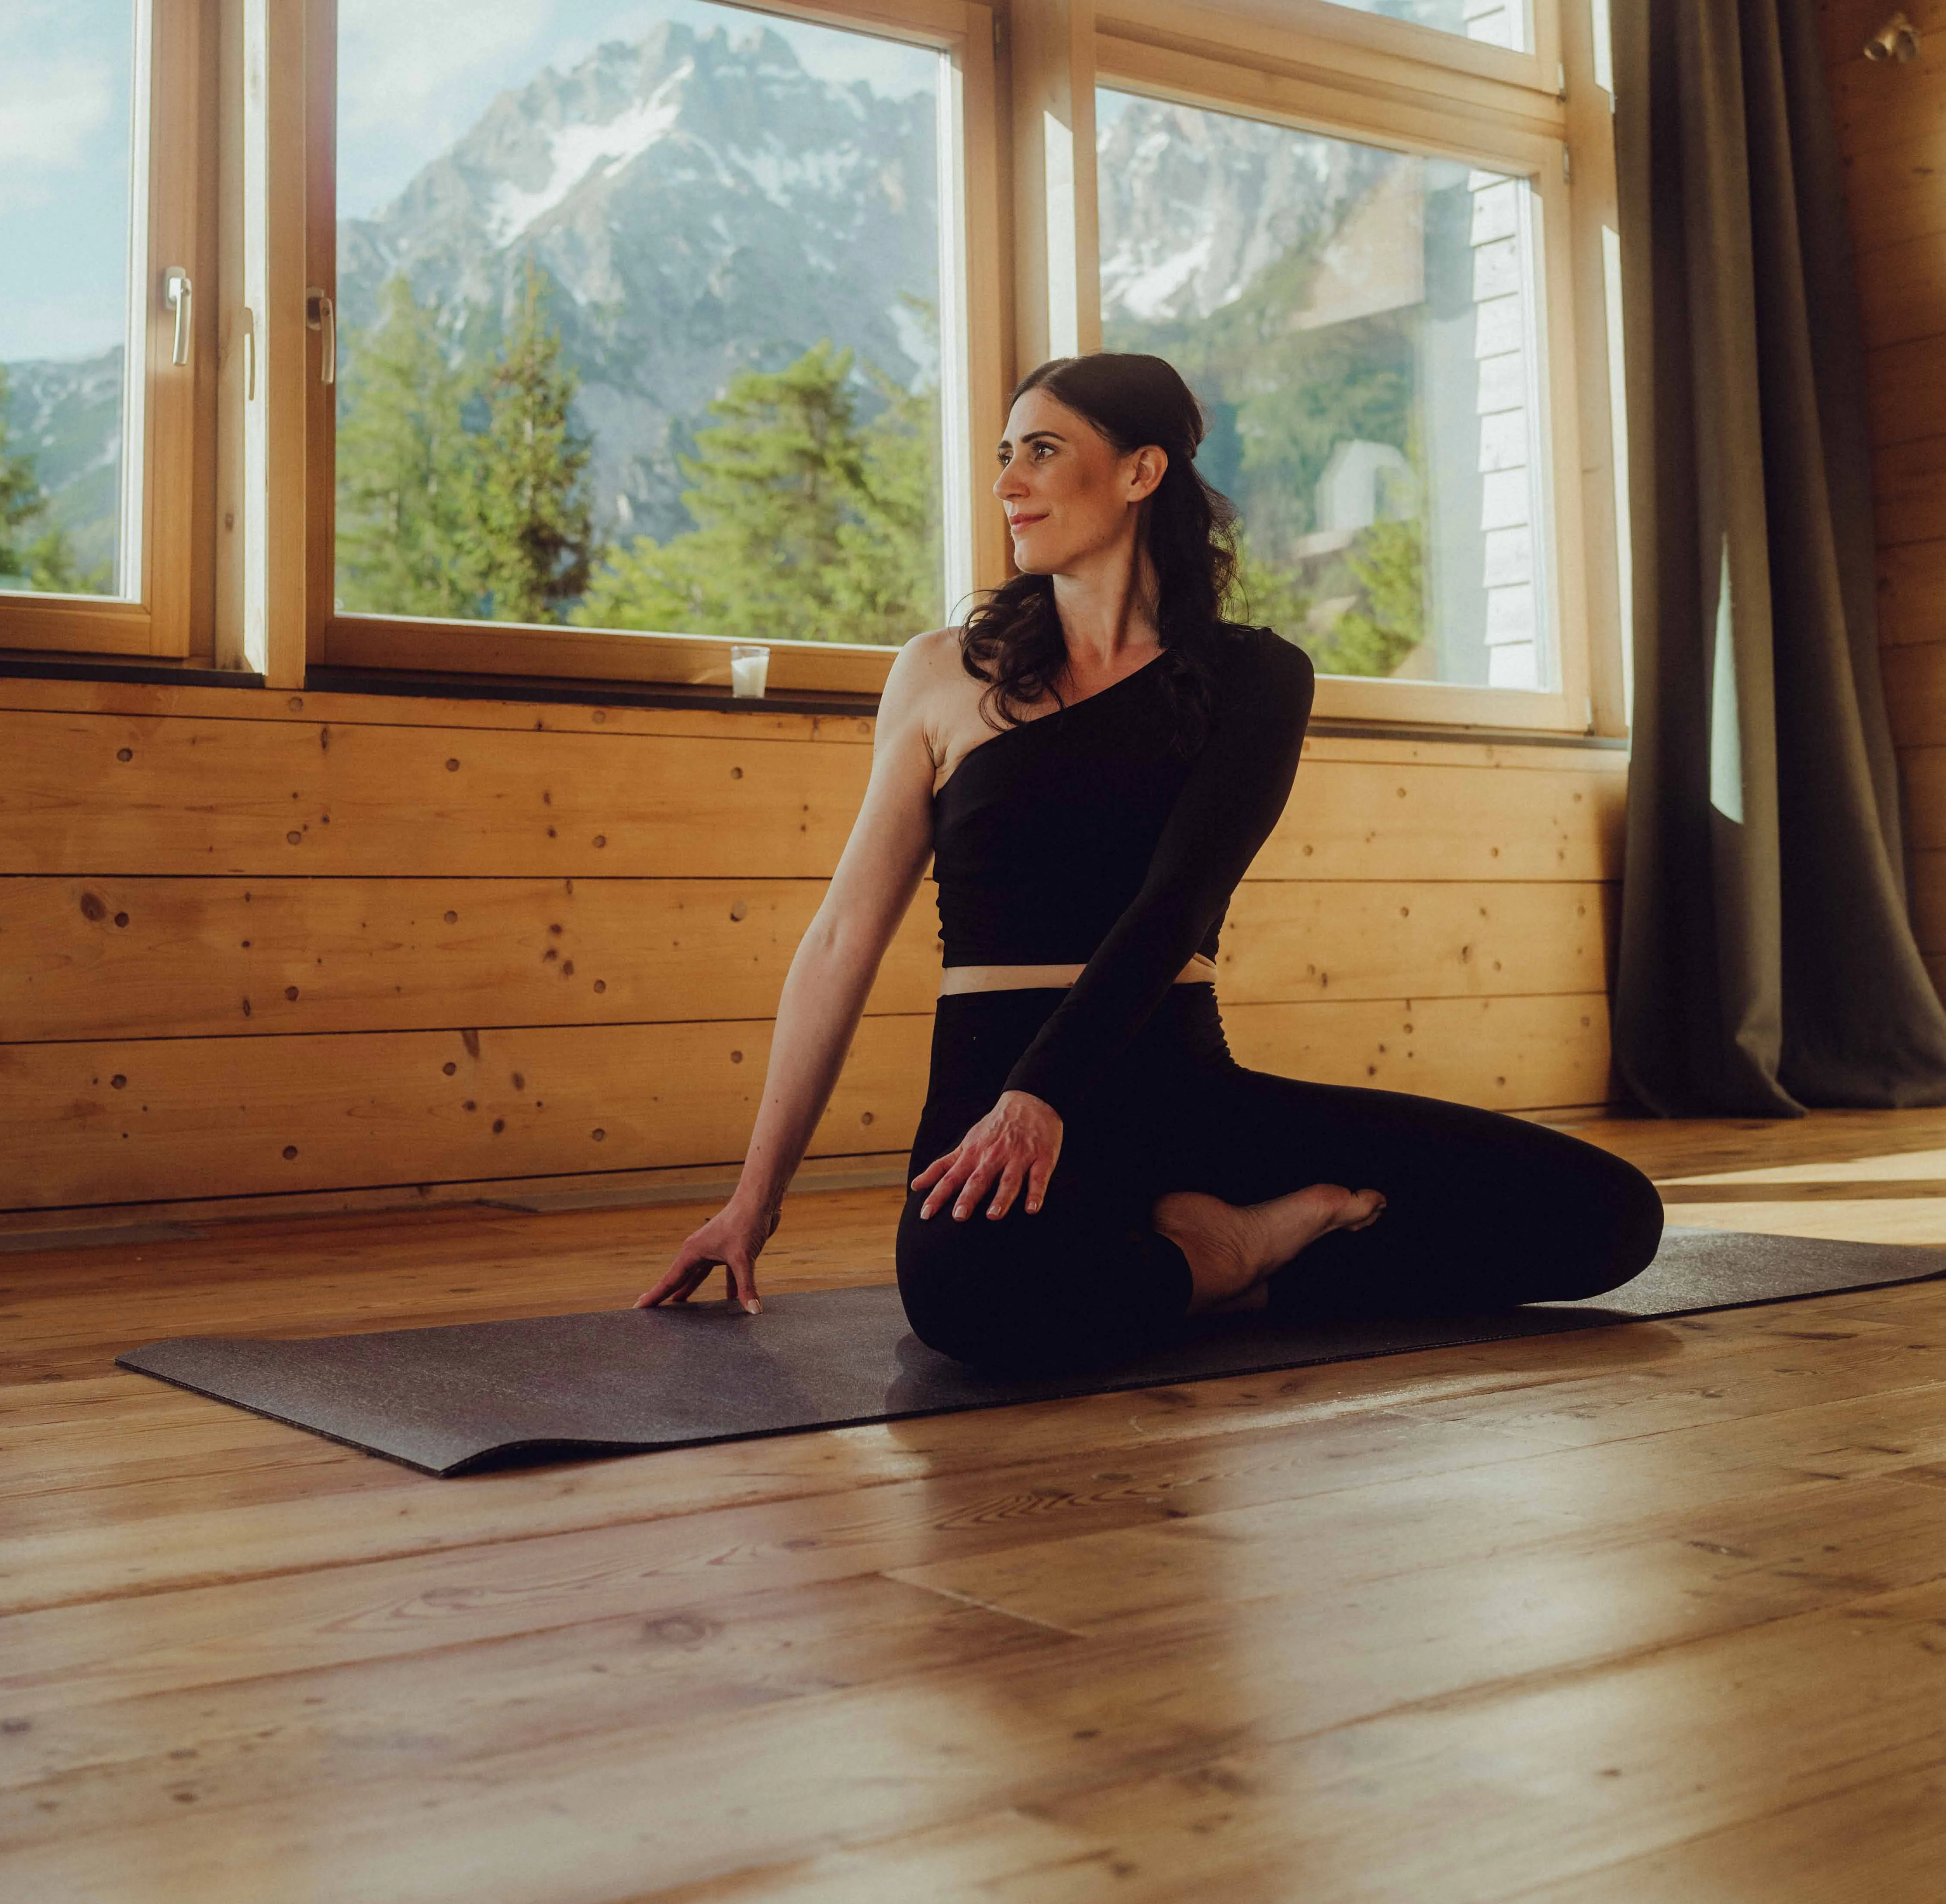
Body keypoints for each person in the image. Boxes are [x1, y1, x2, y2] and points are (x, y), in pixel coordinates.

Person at [638, 352, 1663, 1369]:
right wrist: (753, 1199)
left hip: (1171, 1078)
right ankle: (1234, 1254)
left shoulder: (1256, 677)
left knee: (1610, 1219)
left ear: (1141, 471)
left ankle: (1222, 1247)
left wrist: (1044, 1090)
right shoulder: (940, 674)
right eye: (1004, 455)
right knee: (964, 1299)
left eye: (1042, 450)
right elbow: (839, 940)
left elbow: (1176, 902)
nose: (1007, 484)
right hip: (987, 1078)